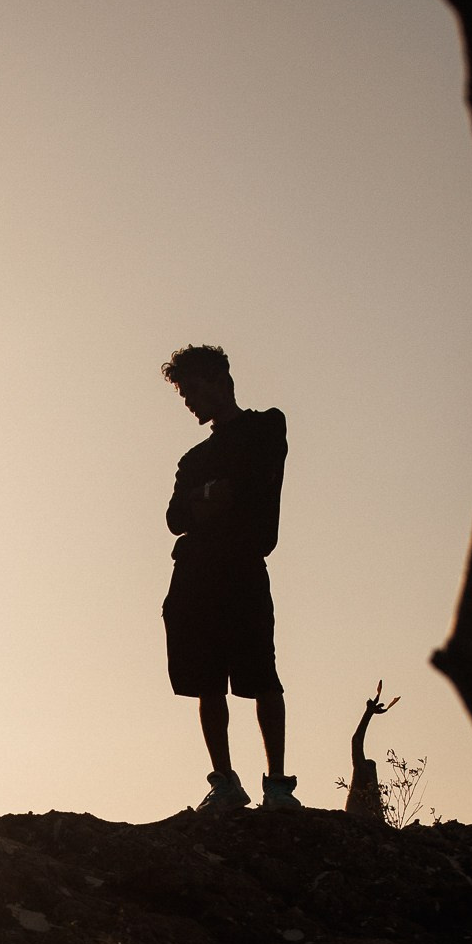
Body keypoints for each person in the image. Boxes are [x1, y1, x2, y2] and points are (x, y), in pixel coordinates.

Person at [159, 343, 298, 814]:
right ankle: (225, 783)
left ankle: (278, 785)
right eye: (185, 396)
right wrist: (212, 495)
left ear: (220, 380)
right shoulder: (192, 458)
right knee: (207, 682)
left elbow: (251, 481)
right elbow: (176, 516)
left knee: (262, 675)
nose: (191, 402)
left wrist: (214, 496)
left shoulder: (265, 426)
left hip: (242, 568)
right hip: (195, 576)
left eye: (194, 390)